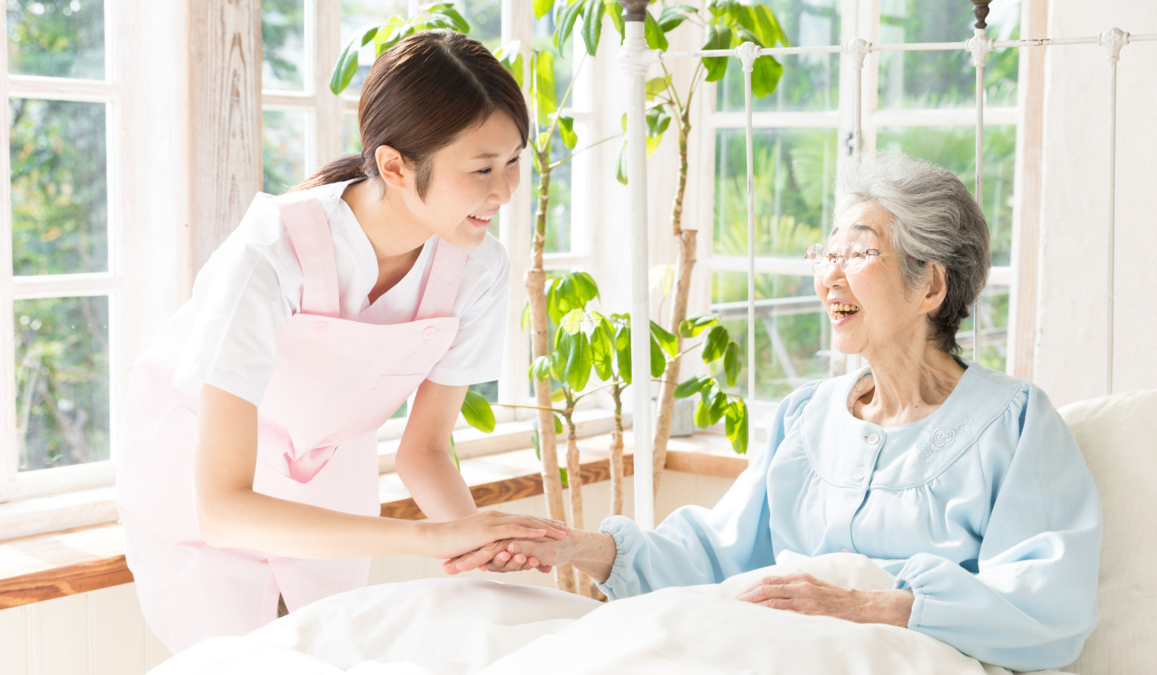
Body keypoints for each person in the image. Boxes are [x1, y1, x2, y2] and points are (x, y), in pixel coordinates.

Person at [447, 152, 1103, 673]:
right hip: (774, 646)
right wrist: (581, 545)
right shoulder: (808, 415)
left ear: (931, 283)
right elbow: (716, 554)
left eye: (859, 252)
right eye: (827, 254)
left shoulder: (1015, 423)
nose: (829, 276)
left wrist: (864, 605)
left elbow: (1047, 613)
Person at [116, 30, 565, 653]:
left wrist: (480, 541)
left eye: (515, 161)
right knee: (233, 659)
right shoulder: (269, 253)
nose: (504, 190)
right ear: (393, 165)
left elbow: (425, 449)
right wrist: (430, 539)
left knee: (331, 652)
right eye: (481, 169)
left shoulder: (479, 268)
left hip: (328, 471)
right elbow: (221, 507)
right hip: (201, 480)